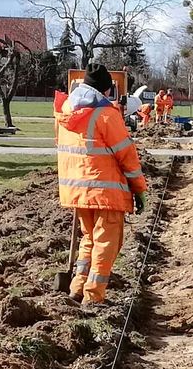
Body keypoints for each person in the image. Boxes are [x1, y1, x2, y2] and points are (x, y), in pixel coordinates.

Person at [55, 65, 147, 306]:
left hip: (76, 189)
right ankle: (94, 296)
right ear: (106, 88)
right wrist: (138, 188)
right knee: (106, 243)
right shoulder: (106, 114)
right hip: (106, 191)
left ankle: (77, 287)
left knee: (89, 239)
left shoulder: (66, 111)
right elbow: (126, 154)